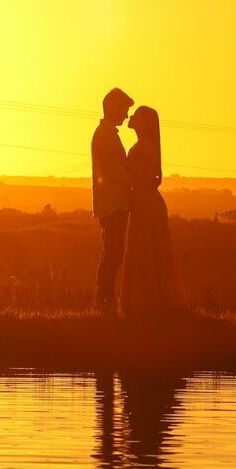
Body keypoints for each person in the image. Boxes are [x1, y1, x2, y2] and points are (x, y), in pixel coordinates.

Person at [119, 105, 176, 316]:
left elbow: (140, 177)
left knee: (143, 250)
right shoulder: (145, 145)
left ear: (144, 123)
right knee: (148, 250)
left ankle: (144, 301)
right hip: (147, 202)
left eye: (136, 115)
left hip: (144, 202)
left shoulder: (142, 147)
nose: (130, 117)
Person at [91, 88, 134, 311]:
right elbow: (112, 170)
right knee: (113, 253)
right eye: (124, 110)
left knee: (112, 252)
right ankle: (104, 301)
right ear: (113, 108)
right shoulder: (106, 136)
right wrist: (135, 179)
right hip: (113, 203)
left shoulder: (106, 134)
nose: (126, 116)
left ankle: (104, 301)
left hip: (113, 203)